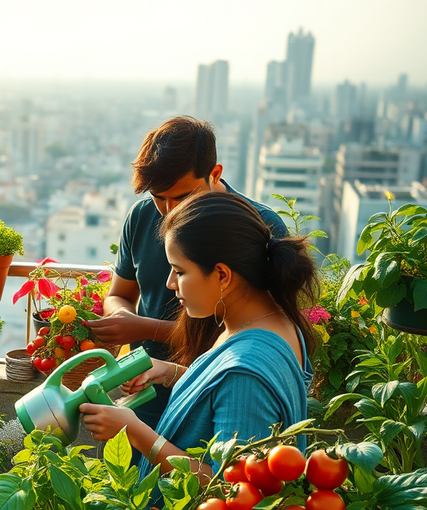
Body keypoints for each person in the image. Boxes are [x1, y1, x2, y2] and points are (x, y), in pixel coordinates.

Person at [79, 191, 315, 510]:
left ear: (222, 274)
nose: (170, 284)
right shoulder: (265, 319)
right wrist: (169, 371)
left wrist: (134, 431)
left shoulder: (248, 373)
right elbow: (221, 381)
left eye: (180, 271)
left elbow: (229, 493)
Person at [86, 116, 290, 433]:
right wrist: (122, 320)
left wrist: (146, 328)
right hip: (147, 395)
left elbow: (252, 333)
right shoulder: (141, 216)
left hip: (218, 400)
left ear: (215, 174)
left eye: (182, 197)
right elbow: (119, 294)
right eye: (158, 197)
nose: (169, 211)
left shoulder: (256, 227)